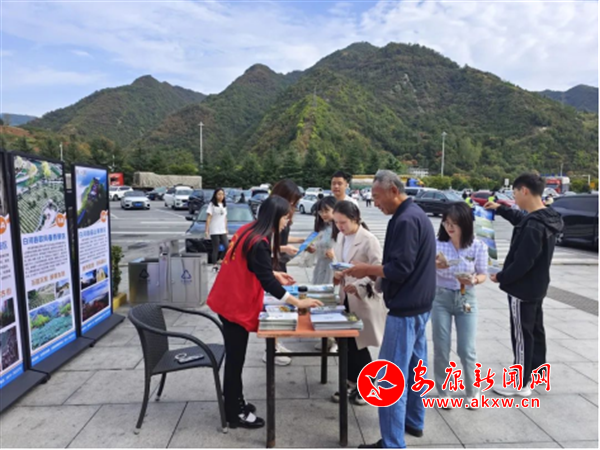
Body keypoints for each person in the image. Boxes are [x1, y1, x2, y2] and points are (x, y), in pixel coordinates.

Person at [207, 196, 323, 429]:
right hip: (234, 306)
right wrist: (297, 303)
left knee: (235, 359)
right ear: (275, 217)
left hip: (226, 299)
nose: (286, 223)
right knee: (235, 361)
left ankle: (236, 401)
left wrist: (273, 273)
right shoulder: (259, 241)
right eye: (286, 218)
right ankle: (234, 413)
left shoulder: (248, 230)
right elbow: (267, 282)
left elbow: (252, 265)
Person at [344, 170, 436, 449]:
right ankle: (414, 421)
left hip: (406, 308)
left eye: (377, 197)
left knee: (389, 377)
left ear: (394, 191)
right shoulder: (416, 214)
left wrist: (366, 269)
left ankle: (392, 443)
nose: (375, 203)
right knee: (416, 368)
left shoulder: (406, 220)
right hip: (420, 304)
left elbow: (400, 268)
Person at [484, 173, 563, 397]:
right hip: (538, 286)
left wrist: (502, 277)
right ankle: (538, 374)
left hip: (523, 288)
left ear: (524, 191)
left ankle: (520, 382)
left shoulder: (534, 226)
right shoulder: (546, 217)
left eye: (515, 193)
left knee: (522, 334)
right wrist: (501, 209)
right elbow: (521, 219)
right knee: (535, 330)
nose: (515, 198)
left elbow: (523, 262)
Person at [331, 201, 387, 406]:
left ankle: (367, 385)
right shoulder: (341, 237)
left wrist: (359, 286)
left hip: (362, 299)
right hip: (345, 296)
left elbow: (377, 271)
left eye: (343, 222)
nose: (340, 227)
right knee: (345, 342)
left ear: (355, 219)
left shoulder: (369, 240)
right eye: (336, 222)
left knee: (359, 344)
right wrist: (337, 274)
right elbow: (341, 263)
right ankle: (350, 381)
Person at [433, 203, 488, 406]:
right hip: (441, 297)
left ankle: (473, 392)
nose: (449, 227)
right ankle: (443, 392)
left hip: (466, 297)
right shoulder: (437, 244)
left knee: (466, 348)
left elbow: (483, 274)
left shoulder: (477, 246)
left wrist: (473, 280)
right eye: (446, 223)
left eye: (454, 223)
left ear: (465, 224)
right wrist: (434, 265)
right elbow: (423, 267)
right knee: (441, 347)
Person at [312, 196, 339, 354]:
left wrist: (334, 256)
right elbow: (319, 247)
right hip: (321, 267)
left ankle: (335, 339)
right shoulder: (324, 228)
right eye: (321, 211)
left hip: (332, 270)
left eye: (326, 211)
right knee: (320, 301)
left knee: (332, 302)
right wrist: (313, 249)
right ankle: (325, 338)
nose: (323, 214)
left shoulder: (340, 228)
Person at [205, 188, 228, 265]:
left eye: (222, 194)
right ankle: (214, 264)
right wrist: (206, 230)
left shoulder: (224, 205)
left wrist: (226, 228)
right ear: (215, 195)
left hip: (222, 229)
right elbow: (208, 218)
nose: (221, 196)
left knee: (227, 246)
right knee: (216, 247)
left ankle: (221, 258)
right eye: (219, 194)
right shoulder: (212, 205)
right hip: (214, 229)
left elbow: (225, 218)